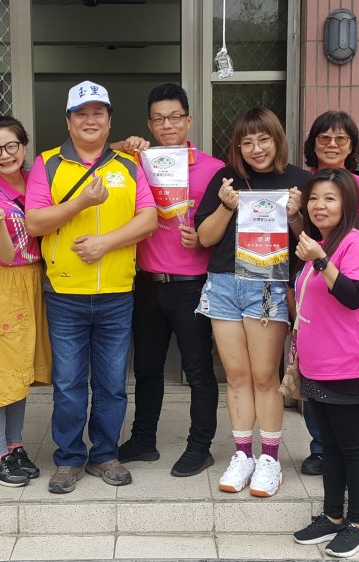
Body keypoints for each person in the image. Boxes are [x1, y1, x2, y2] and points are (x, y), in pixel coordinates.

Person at [25, 80, 157, 494]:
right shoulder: (47, 164)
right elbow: (34, 222)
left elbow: (149, 218)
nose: (90, 120)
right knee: (68, 384)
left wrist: (105, 243)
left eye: (98, 112)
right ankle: (68, 459)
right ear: (68, 121)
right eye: (81, 113)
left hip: (117, 293)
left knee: (112, 383)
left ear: (109, 120)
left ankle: (104, 453)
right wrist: (82, 202)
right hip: (65, 294)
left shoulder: (128, 165)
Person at [194, 107, 310, 497]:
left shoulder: (299, 181)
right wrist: (227, 205)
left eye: (263, 139)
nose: (256, 149)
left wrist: (295, 216)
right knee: (237, 376)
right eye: (247, 142)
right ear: (238, 147)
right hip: (224, 284)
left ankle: (270, 460)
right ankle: (243, 454)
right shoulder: (226, 179)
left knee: (264, 377)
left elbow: (312, 244)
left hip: (269, 287)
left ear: (277, 139)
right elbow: (206, 238)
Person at [111, 83, 225, 477]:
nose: (167, 125)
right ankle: (144, 440)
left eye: (175, 117)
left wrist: (205, 237)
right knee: (146, 368)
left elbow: (229, 225)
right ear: (149, 124)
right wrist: (124, 145)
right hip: (146, 282)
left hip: (192, 284)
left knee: (198, 371)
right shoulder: (137, 161)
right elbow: (98, 160)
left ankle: (200, 447)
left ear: (188, 120)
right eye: (158, 119)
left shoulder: (213, 168)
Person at [292, 168, 359, 558]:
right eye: (313, 198)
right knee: (330, 446)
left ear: (347, 203)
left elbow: (353, 296)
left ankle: (358, 524)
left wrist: (321, 260)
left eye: (329, 198)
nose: (319, 205)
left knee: (353, 447)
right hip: (316, 366)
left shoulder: (355, 244)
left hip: (348, 367)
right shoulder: (320, 243)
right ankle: (331, 516)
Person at [298, 111, 359, 476]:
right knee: (311, 364)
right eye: (325, 138)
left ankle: (332, 453)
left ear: (352, 145)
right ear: (314, 143)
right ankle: (321, 446)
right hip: (306, 272)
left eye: (341, 139)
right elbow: (305, 231)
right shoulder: (302, 182)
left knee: (337, 366)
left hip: (336, 272)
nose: (332, 145)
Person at [0, 116, 52, 487]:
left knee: (20, 370)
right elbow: (4, 255)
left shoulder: (38, 179)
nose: (5, 155)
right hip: (4, 284)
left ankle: (14, 445)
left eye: (11, 146)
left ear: (23, 146)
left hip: (33, 281)